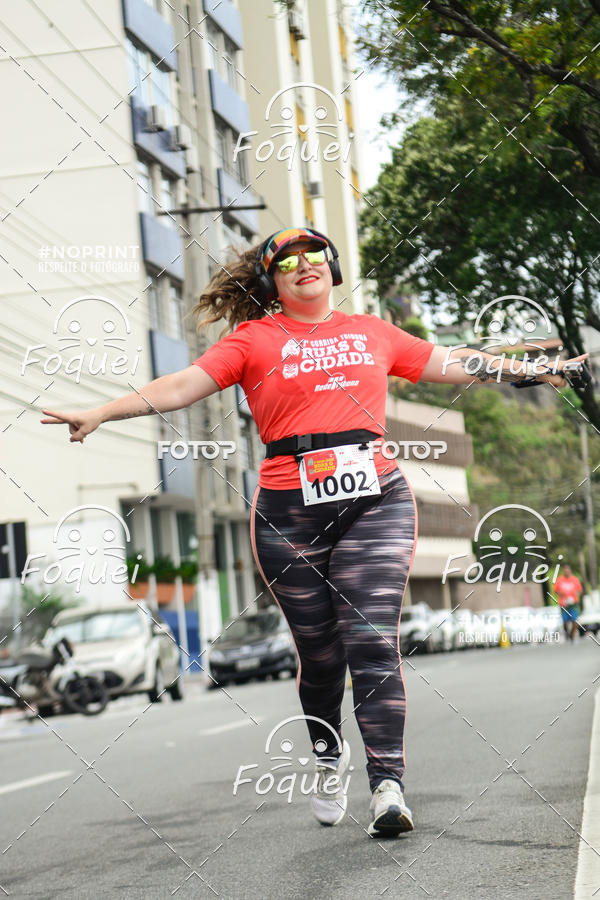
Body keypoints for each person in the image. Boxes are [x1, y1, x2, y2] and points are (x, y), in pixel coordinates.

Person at [41, 225, 589, 838]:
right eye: (287, 261)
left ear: (331, 268)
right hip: (287, 509)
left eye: (314, 255)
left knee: (372, 639)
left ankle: (387, 785)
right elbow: (179, 386)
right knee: (322, 658)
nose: (303, 265)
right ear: (272, 281)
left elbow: (454, 361)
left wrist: (534, 371)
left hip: (374, 499)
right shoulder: (253, 340)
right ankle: (329, 756)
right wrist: (100, 411)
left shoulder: (372, 333)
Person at [553, 564, 583, 641]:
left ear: (570, 571)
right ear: (564, 571)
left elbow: (579, 590)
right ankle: (567, 632)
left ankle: (572, 635)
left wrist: (577, 593)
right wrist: (561, 594)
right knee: (565, 621)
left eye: (568, 570)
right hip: (564, 604)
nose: (567, 571)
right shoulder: (560, 580)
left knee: (574, 620)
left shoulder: (575, 579)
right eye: (565, 570)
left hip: (573, 603)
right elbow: (555, 591)